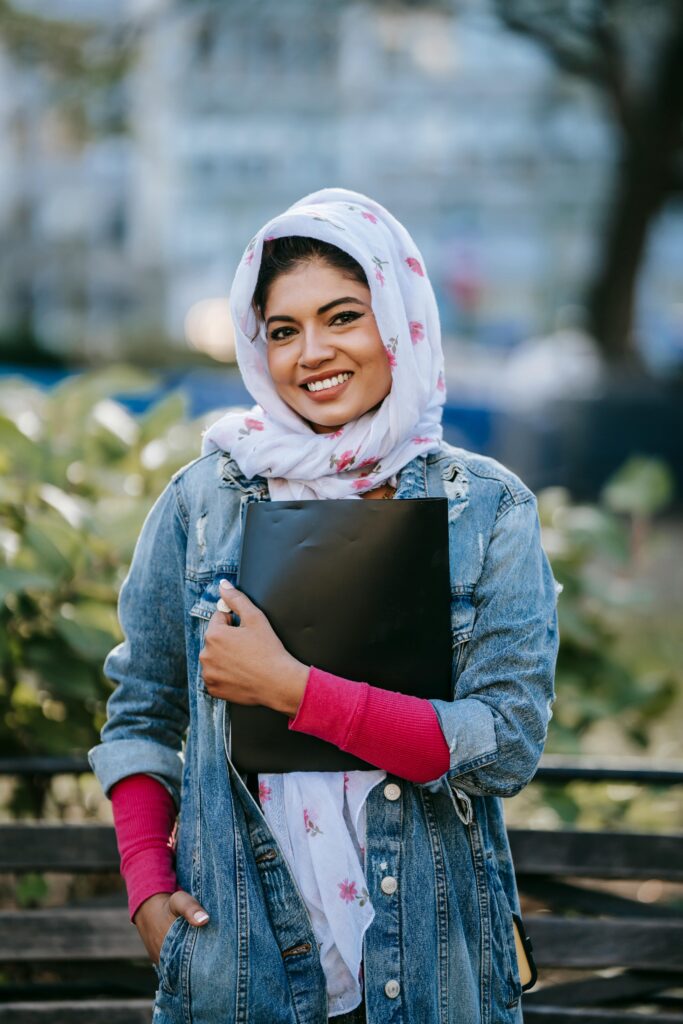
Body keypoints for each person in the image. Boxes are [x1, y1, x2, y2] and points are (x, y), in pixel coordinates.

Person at [88, 187, 559, 1024]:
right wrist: (147, 892)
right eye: (281, 330)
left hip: (429, 977)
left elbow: (505, 747)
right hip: (239, 973)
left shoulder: (486, 509)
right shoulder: (203, 502)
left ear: (399, 323)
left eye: (342, 317)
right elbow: (142, 713)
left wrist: (292, 692)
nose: (311, 352)